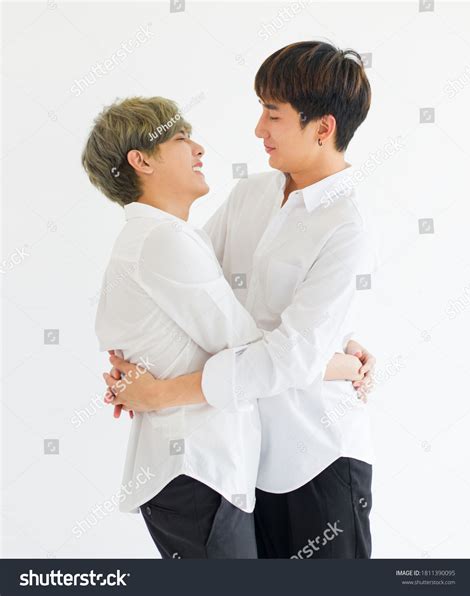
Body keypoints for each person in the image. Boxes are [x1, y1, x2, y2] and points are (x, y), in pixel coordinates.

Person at [104, 40, 376, 559]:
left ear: (323, 128)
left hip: (317, 460)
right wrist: (136, 360)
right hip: (243, 460)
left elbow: (291, 357)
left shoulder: (347, 227)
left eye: (273, 114)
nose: (258, 129)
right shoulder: (251, 195)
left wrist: (160, 394)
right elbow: (190, 290)